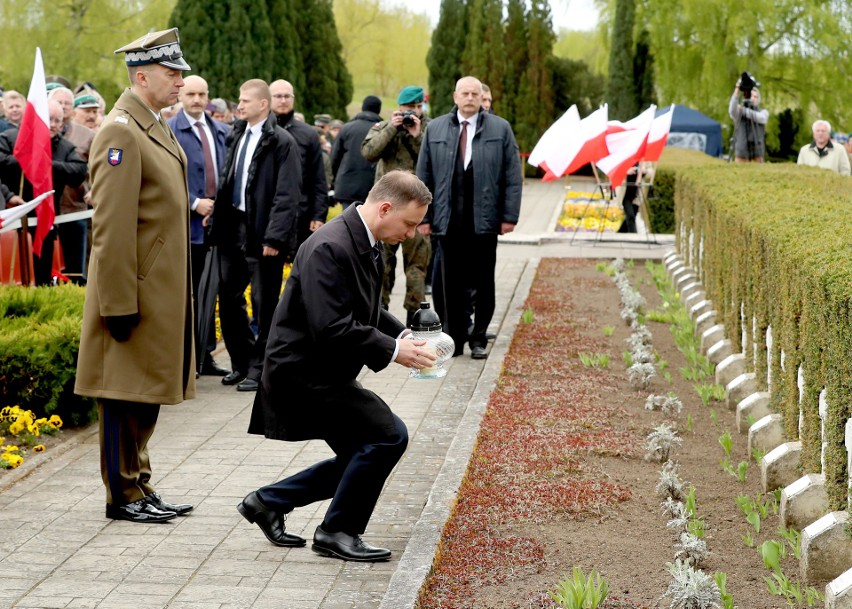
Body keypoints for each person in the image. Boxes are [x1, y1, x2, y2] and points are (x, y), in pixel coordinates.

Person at [239, 170, 436, 561]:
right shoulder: (330, 246)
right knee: (387, 436)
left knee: (363, 453)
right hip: (301, 376)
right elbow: (331, 326)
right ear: (384, 208)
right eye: (409, 223)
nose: (412, 234)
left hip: (320, 372)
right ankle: (336, 531)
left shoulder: (364, 238)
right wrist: (395, 353)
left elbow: (367, 309)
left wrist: (401, 338)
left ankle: (268, 502)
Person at [74, 27, 196, 524]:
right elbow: (111, 226)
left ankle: (139, 484)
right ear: (142, 75)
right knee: (124, 396)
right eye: (172, 74)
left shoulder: (154, 124)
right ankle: (121, 494)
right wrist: (118, 302)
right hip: (133, 291)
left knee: (145, 393)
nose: (179, 83)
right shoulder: (122, 129)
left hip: (156, 288)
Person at [416, 76, 522, 360]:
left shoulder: (500, 129)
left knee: (483, 281)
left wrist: (509, 215)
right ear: (455, 97)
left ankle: (478, 338)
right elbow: (423, 175)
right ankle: (453, 337)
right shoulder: (436, 128)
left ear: (481, 97)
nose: (470, 97)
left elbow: (513, 175)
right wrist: (423, 217)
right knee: (448, 283)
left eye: (475, 93)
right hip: (447, 221)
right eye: (465, 93)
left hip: (484, 221)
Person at [209, 79, 302, 393]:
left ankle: (261, 367)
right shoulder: (237, 134)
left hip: (263, 232)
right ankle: (242, 362)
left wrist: (275, 238)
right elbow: (227, 180)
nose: (239, 105)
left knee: (264, 304)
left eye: (246, 100)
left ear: (263, 104)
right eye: (239, 99)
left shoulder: (282, 141)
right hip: (232, 228)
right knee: (229, 297)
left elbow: (287, 194)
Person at [168, 74, 231, 377]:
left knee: (212, 293)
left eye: (202, 94)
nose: (196, 100)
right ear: (180, 95)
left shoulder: (220, 131)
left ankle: (206, 355)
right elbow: (167, 179)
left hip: (217, 226)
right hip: (187, 226)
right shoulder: (171, 131)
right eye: (191, 94)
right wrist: (194, 203)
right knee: (188, 293)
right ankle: (186, 358)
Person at [362, 85, 431, 326]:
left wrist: (417, 135)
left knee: (416, 267)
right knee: (382, 265)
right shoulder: (384, 127)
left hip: (416, 209)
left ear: (421, 107)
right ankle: (380, 315)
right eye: (407, 108)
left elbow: (433, 158)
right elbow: (369, 152)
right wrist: (392, 127)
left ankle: (415, 318)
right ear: (398, 108)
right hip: (387, 209)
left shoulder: (429, 129)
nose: (412, 113)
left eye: (416, 107)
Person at [0, 100, 87, 286]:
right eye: (49, 119)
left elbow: (79, 171)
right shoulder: (9, 138)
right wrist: (9, 195)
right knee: (12, 274)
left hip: (46, 219)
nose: (54, 125)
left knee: (42, 276)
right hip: (11, 217)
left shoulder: (65, 147)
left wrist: (47, 165)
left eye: (58, 121)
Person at [270, 79, 328, 246]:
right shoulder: (260, 130)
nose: (283, 100)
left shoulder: (308, 134)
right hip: (265, 213)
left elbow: (318, 178)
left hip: (300, 213)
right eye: (278, 96)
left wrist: (318, 215)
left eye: (287, 96)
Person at [50, 86, 94, 284]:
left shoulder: (88, 135)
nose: (63, 106)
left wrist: (96, 189)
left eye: (67, 103)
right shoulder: (39, 133)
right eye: (59, 102)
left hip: (75, 209)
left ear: (73, 108)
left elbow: (99, 167)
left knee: (76, 269)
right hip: (46, 211)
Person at [330, 95, 381, 209]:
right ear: (379, 110)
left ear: (362, 108)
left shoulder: (347, 128)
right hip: (373, 186)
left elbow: (334, 157)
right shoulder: (382, 130)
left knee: (349, 222)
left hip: (347, 185)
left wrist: (332, 183)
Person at [728, 79, 768, 163]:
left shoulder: (763, 112)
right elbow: (732, 111)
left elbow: (761, 118)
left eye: (755, 97)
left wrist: (744, 110)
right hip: (741, 152)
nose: (753, 98)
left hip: (757, 152)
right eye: (751, 96)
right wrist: (737, 89)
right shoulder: (739, 112)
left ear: (758, 99)